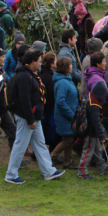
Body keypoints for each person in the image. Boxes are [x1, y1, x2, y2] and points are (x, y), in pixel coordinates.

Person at [5, 49, 64, 184]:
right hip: (27, 117)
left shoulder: (29, 74)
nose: (40, 64)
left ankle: (49, 171)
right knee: (20, 144)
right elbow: (24, 99)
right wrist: (30, 119)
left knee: (40, 144)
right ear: (32, 62)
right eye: (38, 61)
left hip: (32, 116)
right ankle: (11, 174)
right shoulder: (25, 76)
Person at [77, 57, 108, 180]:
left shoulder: (91, 98)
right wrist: (101, 135)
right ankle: (82, 170)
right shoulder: (95, 105)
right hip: (91, 131)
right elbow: (96, 122)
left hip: (92, 131)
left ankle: (102, 166)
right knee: (88, 150)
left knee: (95, 148)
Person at [50, 56, 79, 169]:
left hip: (69, 115)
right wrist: (72, 115)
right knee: (67, 140)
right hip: (65, 116)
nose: (72, 66)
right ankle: (52, 155)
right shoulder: (62, 83)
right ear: (65, 68)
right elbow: (60, 102)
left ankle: (67, 161)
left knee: (69, 138)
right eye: (70, 65)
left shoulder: (67, 80)